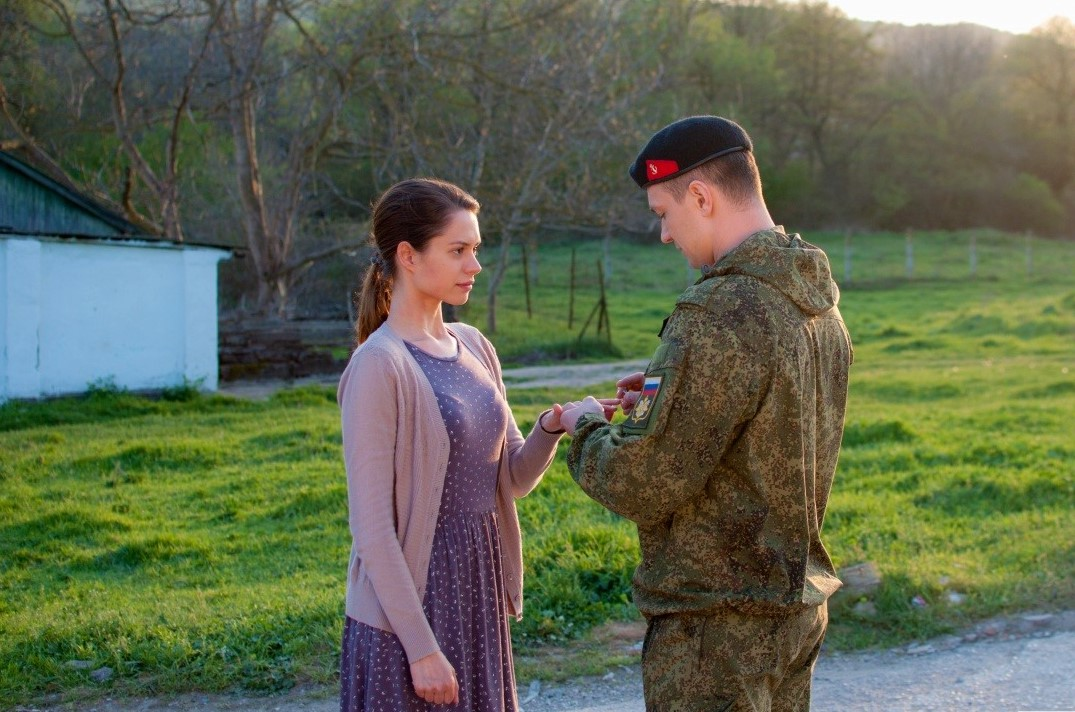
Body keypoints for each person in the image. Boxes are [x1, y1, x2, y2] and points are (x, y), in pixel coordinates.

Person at [558, 116, 854, 711]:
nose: (664, 234)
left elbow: (645, 482)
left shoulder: (721, 310)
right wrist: (674, 397)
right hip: (792, 613)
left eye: (663, 213)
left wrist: (585, 427)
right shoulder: (814, 301)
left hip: (717, 627)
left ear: (701, 196)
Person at [336, 177, 582, 711]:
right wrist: (421, 649)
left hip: (476, 592)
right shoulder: (379, 365)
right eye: (458, 251)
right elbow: (372, 528)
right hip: (410, 611)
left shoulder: (473, 344)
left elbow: (511, 479)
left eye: (475, 250)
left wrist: (552, 427)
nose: (474, 265)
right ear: (408, 255)